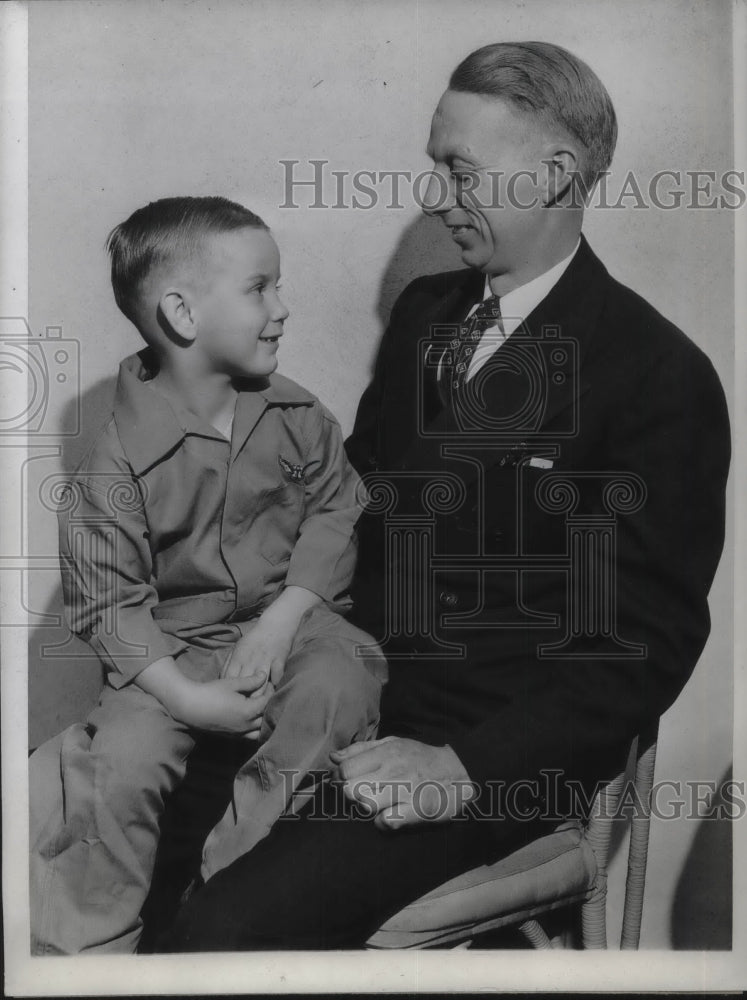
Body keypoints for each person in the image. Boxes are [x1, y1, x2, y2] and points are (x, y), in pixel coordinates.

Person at [162, 42, 730, 950]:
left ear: (555, 175)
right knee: (121, 825)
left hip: (485, 758)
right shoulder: (429, 311)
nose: (435, 195)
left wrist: (463, 768)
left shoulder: (660, 374)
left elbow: (643, 647)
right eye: (436, 166)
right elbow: (345, 508)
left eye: (459, 170)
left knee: (222, 932)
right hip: (341, 698)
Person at [28, 196, 386, 955]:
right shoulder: (114, 461)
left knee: (343, 674)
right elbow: (111, 607)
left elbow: (336, 507)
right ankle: (89, 954)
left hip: (292, 625)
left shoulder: (298, 415)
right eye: (261, 288)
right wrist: (190, 698)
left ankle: (228, 899)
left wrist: (285, 616)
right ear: (182, 314)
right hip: (168, 651)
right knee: (117, 761)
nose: (282, 309)